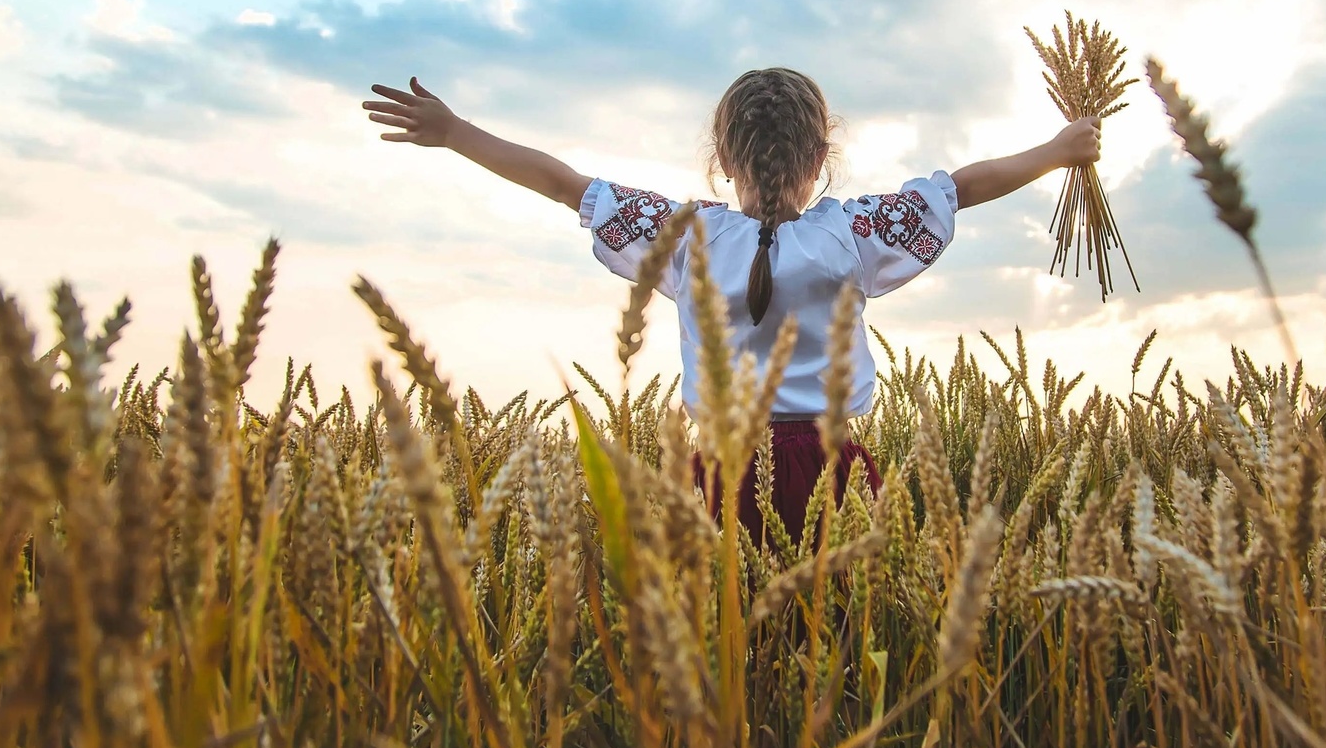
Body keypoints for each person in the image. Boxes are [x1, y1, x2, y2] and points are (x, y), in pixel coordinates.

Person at [361, 68, 1099, 545]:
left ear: (721, 158)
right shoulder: (851, 234)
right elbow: (963, 186)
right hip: (833, 470)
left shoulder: (688, 237)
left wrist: (456, 133)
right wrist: (1059, 149)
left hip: (715, 473)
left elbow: (564, 184)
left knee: (726, 655)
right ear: (820, 161)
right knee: (836, 648)